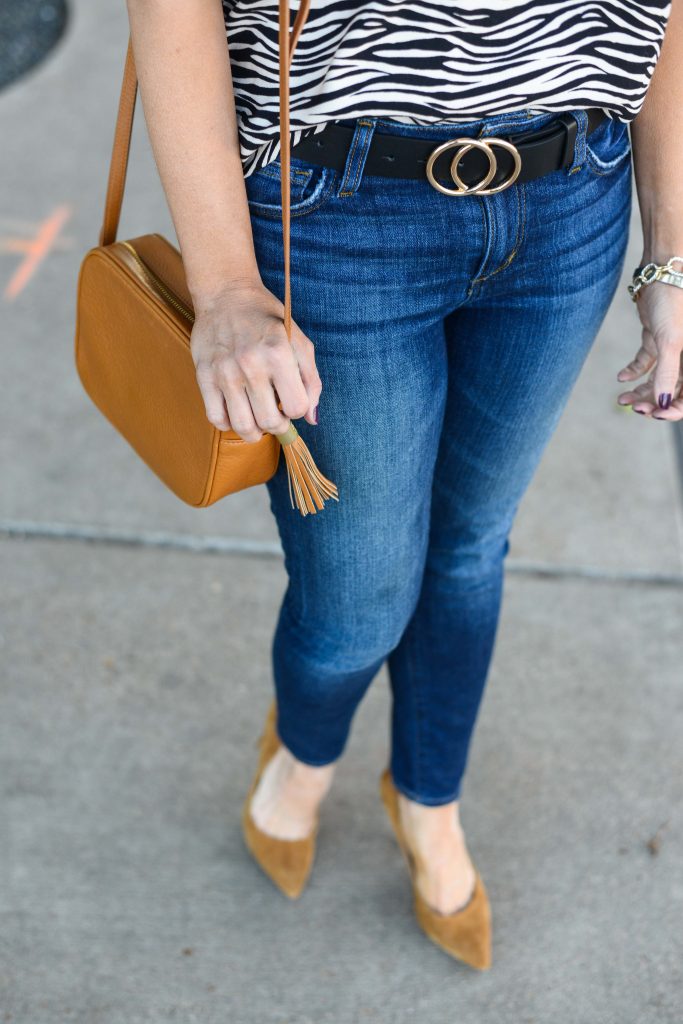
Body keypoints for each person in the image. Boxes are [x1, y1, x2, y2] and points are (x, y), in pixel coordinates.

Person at [124, 0, 682, 969]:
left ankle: (428, 796)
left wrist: (670, 250)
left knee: (469, 542)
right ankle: (302, 751)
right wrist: (221, 285)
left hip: (571, 195)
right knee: (357, 596)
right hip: (337, 205)